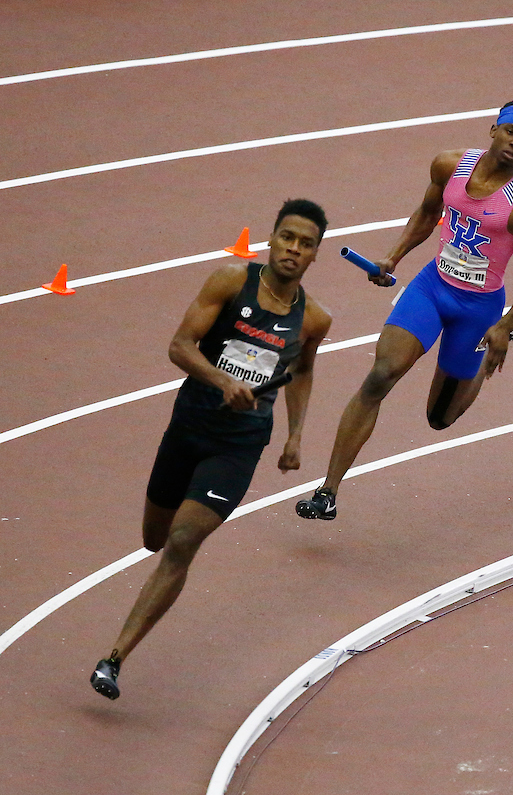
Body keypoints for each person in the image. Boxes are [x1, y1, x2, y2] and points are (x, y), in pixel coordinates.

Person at [90, 199, 333, 699]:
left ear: (315, 256)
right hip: (189, 426)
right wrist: (222, 381)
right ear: (271, 239)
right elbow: (180, 345)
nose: (293, 249)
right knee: (154, 540)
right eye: (287, 237)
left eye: (305, 244)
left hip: (239, 445)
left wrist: (294, 435)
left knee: (181, 541)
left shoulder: (314, 320)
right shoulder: (229, 282)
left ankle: (113, 659)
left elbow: (303, 370)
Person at [296, 100, 513, 520]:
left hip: (479, 308)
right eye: (511, 132)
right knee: (381, 374)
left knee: (440, 418)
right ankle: (328, 491)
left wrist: (506, 325)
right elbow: (427, 213)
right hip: (433, 287)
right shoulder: (449, 165)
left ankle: (483, 354)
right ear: (493, 129)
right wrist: (392, 258)